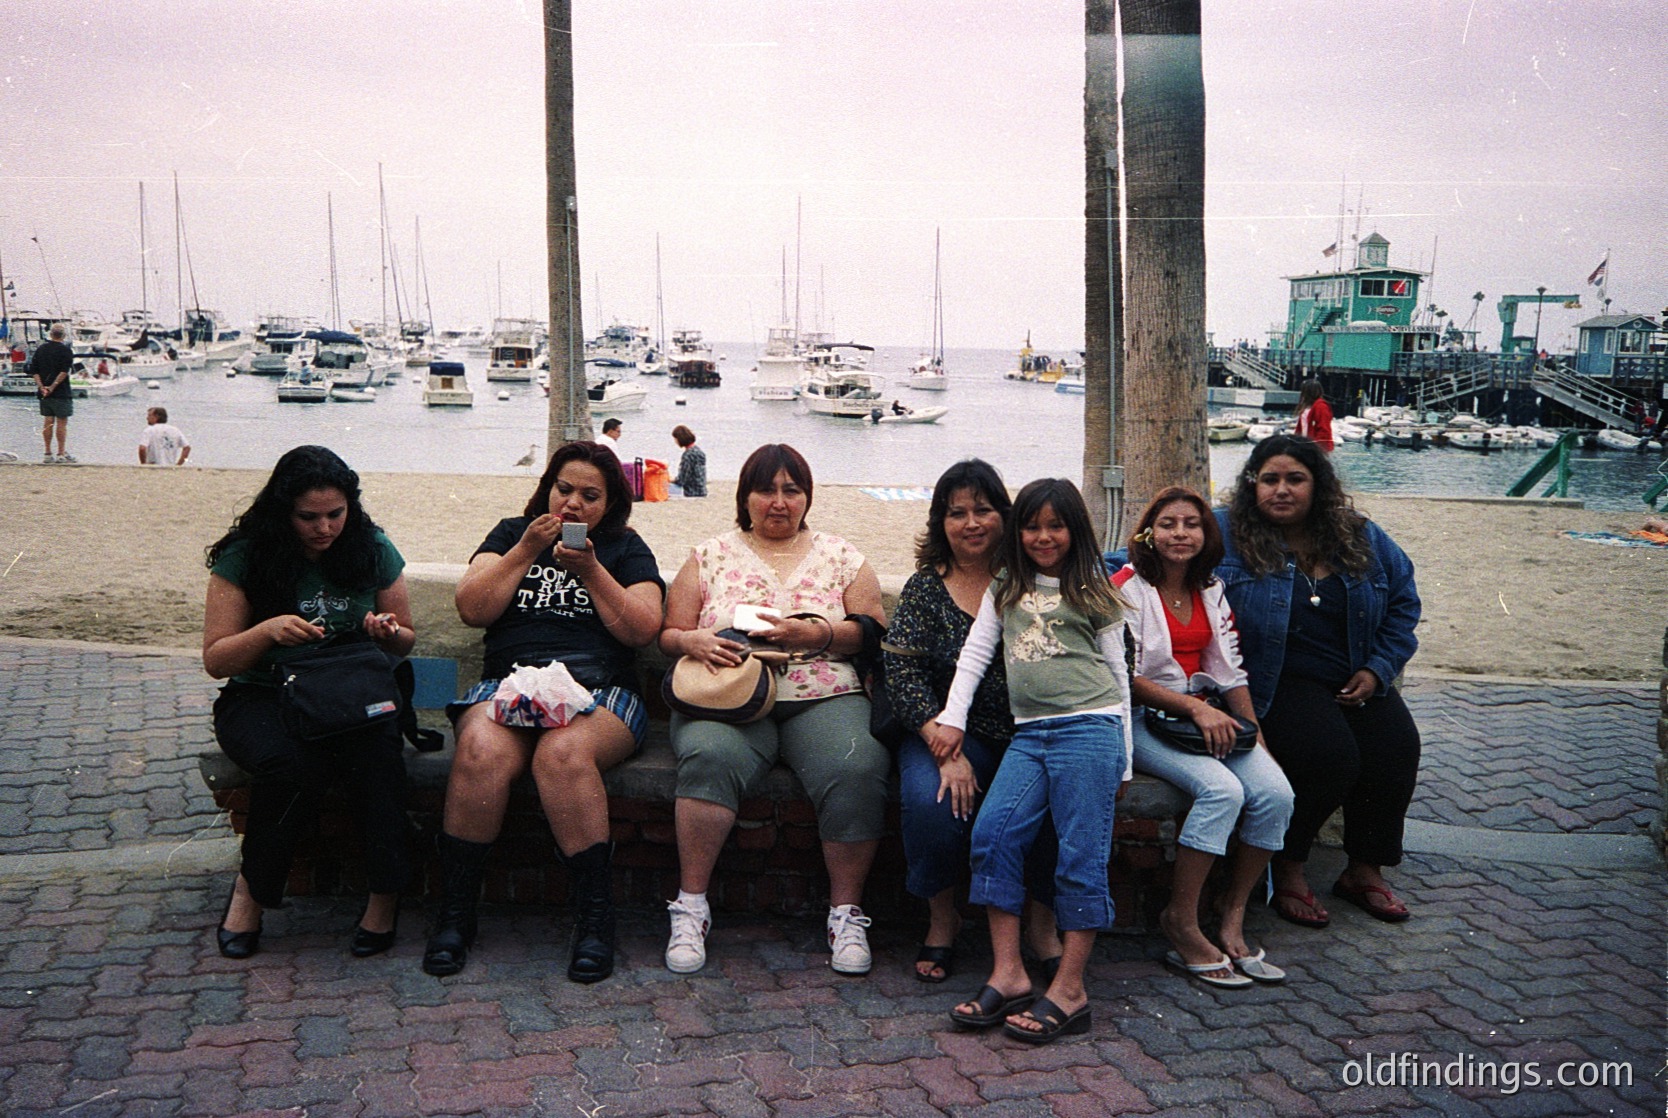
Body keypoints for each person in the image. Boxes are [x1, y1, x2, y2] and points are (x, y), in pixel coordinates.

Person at [424, 441, 664, 982]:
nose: (573, 503)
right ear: (546, 489)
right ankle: (456, 914)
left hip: (599, 690)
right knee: (481, 749)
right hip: (510, 682)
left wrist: (593, 572)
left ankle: (595, 920)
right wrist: (524, 551)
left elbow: (644, 627)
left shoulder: (625, 550)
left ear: (610, 505)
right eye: (564, 489)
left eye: (590, 495)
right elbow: (472, 607)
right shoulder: (512, 533)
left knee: (563, 754)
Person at [657, 443, 890, 976]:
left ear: (808, 497)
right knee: (707, 757)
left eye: (791, 490)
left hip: (824, 692)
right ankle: (690, 906)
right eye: (765, 490)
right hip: (727, 696)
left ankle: (846, 913)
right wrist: (693, 642)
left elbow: (872, 630)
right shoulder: (708, 554)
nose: (778, 502)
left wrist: (819, 632)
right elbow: (669, 632)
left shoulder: (842, 556)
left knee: (858, 765)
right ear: (746, 497)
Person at [930, 478, 1133, 1045]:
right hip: (1030, 737)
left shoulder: (1096, 587)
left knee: (1079, 857)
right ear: (1018, 533)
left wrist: (1125, 762)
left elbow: (1118, 679)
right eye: (1032, 526)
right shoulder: (1008, 583)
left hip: (1091, 732)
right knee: (992, 836)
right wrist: (953, 717)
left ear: (1076, 530)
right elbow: (974, 655)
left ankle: (1070, 990)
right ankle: (1010, 972)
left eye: (1056, 525)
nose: (1044, 537)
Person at [202, 445, 416, 959]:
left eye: (335, 515)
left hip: (348, 691)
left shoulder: (371, 547)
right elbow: (217, 658)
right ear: (283, 512)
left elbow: (405, 640)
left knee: (378, 759)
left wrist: (384, 631)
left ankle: (384, 899)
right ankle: (251, 892)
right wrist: (267, 631)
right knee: (288, 764)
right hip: (263, 694)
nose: (325, 529)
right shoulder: (246, 555)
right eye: (309, 518)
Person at [1216, 434, 1421, 928]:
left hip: (1354, 672)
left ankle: (1363, 870)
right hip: (1273, 678)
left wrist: (1378, 669)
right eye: (1269, 479)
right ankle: (1288, 868)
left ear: (1318, 485)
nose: (1281, 490)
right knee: (1328, 756)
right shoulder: (1224, 530)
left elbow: (1403, 603)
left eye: (1295, 479)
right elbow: (1143, 551)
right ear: (1252, 485)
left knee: (1396, 746)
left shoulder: (1360, 536)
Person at [885, 459, 1061, 984]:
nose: (971, 523)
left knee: (1058, 799)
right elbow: (902, 671)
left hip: (1032, 733)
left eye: (983, 510)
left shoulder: (1038, 581)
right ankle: (943, 919)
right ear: (940, 522)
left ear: (1005, 517)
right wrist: (943, 746)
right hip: (942, 730)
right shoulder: (926, 587)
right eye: (956, 512)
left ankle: (1041, 925)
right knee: (932, 803)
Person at [1112, 487, 1294, 988]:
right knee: (1222, 791)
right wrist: (1192, 706)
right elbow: (1122, 674)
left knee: (1276, 793)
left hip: (1204, 720)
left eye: (1191, 524)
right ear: (1149, 532)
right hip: (1148, 721)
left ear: (1205, 534)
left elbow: (1231, 672)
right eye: (1168, 524)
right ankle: (1181, 920)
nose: (1180, 534)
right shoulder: (1128, 587)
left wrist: (1256, 737)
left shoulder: (1211, 587)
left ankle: (1231, 913)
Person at [31, 323, 75, 463]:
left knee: (48, 421)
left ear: (50, 334)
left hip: (44, 392)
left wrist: (42, 387)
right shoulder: (66, 351)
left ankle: (47, 452)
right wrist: (52, 386)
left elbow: (34, 371)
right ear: (63, 335)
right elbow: (64, 371)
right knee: (62, 422)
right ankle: (61, 453)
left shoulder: (41, 349)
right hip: (61, 391)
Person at [1294, 380, 1334, 452]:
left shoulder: (1321, 407)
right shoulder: (1306, 407)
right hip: (1306, 445)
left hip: (1317, 448)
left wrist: (1317, 447)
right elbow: (1300, 428)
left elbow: (1324, 429)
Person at [671, 424, 706, 497]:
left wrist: (671, 480)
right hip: (701, 489)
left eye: (675, 439)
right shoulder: (699, 451)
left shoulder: (688, 455)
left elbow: (682, 479)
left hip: (691, 491)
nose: (675, 442)